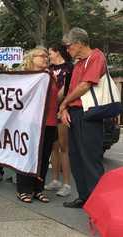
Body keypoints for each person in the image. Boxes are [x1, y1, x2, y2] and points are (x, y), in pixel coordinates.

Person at [59, 27, 106, 208]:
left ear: (78, 44)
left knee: (90, 159)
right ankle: (85, 197)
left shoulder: (96, 57)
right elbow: (71, 89)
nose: (67, 49)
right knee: (76, 156)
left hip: (89, 114)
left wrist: (63, 104)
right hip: (75, 113)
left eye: (69, 46)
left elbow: (85, 85)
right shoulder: (78, 63)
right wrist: (65, 109)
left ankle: (98, 203)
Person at [16, 47, 58, 203]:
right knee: (27, 155)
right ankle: (23, 189)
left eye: (47, 56)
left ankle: (38, 188)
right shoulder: (25, 76)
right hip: (30, 123)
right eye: (41, 56)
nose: (45, 58)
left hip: (49, 122)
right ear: (31, 58)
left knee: (44, 156)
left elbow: (55, 97)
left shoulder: (50, 75)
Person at [45, 44, 73, 197]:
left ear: (57, 52)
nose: (48, 56)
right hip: (50, 112)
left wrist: (60, 105)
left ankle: (67, 183)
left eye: (50, 52)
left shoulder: (69, 68)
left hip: (62, 111)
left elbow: (68, 89)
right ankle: (55, 180)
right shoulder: (48, 69)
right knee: (53, 147)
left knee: (64, 147)